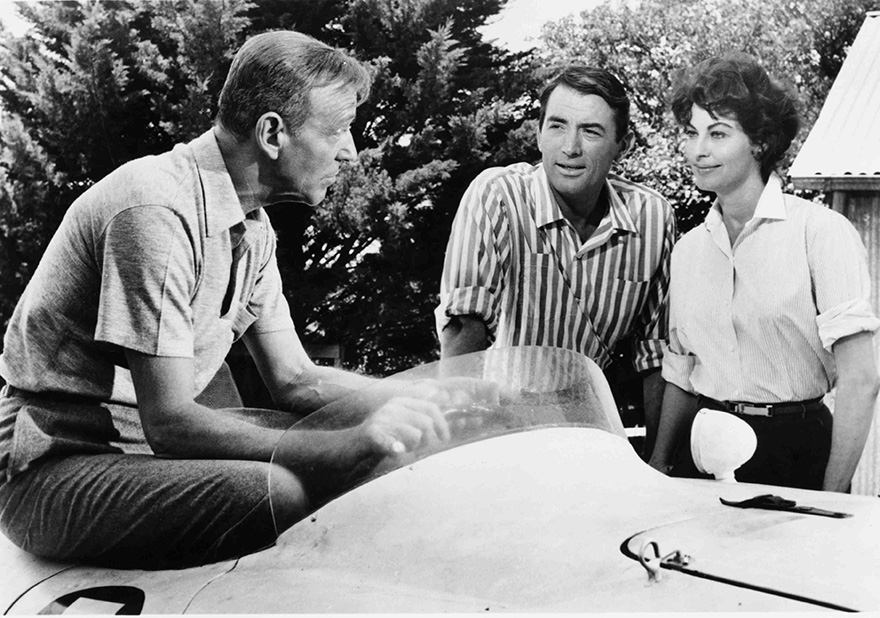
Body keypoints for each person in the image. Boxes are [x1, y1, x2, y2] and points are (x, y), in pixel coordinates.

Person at [0, 31, 462, 569]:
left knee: (366, 450)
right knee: (279, 489)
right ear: (273, 133)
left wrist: (428, 400)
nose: (350, 152)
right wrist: (346, 445)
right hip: (55, 468)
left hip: (144, 459)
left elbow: (297, 379)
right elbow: (170, 423)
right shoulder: (157, 210)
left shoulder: (254, 232)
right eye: (337, 130)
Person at [648, 53, 880, 492]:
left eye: (718, 134)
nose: (698, 150)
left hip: (796, 451)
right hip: (702, 451)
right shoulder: (688, 250)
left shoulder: (820, 232)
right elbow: (681, 369)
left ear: (760, 142)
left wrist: (832, 500)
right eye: (691, 133)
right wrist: (659, 464)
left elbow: (861, 380)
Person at [435, 65, 676, 454]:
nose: (570, 147)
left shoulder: (653, 217)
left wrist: (660, 463)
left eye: (591, 131)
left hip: (590, 434)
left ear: (623, 143)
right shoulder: (498, 194)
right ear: (538, 133)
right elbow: (464, 326)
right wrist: (463, 444)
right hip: (495, 426)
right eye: (557, 126)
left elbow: (657, 353)